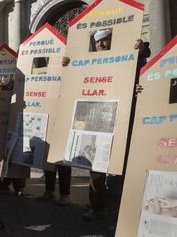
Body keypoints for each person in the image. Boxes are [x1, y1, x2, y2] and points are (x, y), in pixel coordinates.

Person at [62, 30, 151, 221]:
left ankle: (122, 204)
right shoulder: (88, 63)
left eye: (105, 40)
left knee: (123, 166)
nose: (102, 44)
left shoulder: (130, 59)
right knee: (95, 166)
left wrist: (141, 56)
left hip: (122, 121)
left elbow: (144, 76)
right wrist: (67, 66)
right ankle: (97, 205)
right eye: (98, 41)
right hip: (96, 121)